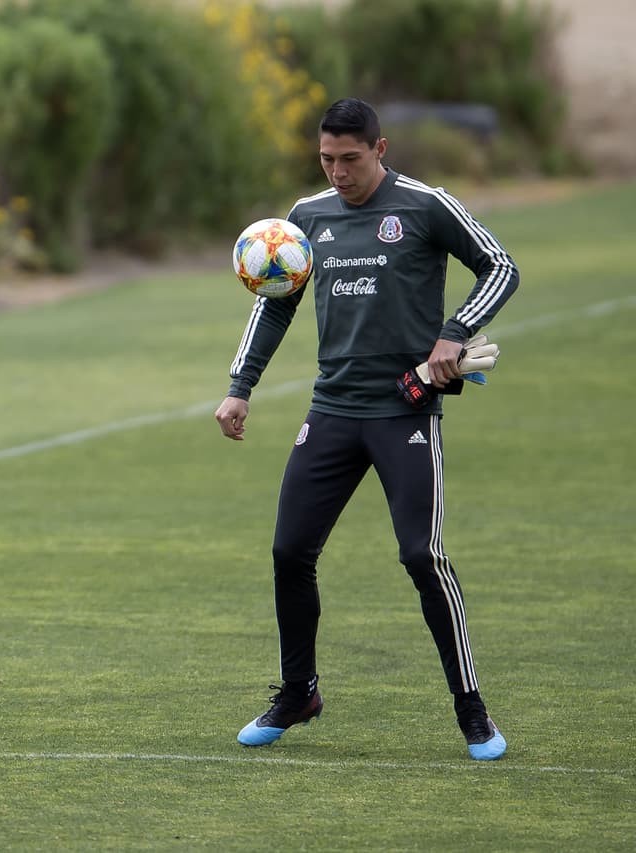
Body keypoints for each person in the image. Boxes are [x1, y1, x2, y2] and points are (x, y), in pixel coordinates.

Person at [214, 97, 518, 760]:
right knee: (289, 551)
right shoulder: (306, 218)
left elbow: (501, 267)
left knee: (421, 555)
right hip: (332, 411)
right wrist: (240, 389)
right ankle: (299, 691)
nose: (338, 172)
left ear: (380, 150)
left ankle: (472, 708)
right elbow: (274, 308)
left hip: (405, 411)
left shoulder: (425, 204)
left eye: (350, 159)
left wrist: (453, 333)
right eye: (327, 159)